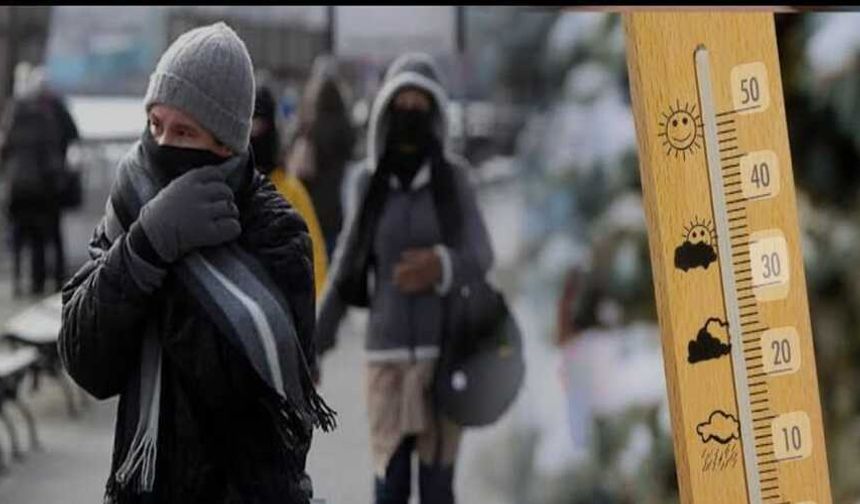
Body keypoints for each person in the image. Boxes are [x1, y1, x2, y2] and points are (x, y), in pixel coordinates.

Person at [58, 22, 335, 504]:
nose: (161, 145)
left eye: (184, 131)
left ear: (226, 142)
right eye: (154, 125)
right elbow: (88, 363)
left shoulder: (279, 233)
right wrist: (144, 247)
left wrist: (166, 266)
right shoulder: (132, 207)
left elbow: (248, 404)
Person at [315, 53, 494, 504]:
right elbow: (347, 266)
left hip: (445, 359)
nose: (409, 114)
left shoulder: (455, 180)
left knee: (437, 491)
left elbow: (482, 253)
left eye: (420, 105)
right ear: (385, 112)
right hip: (387, 365)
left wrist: (442, 266)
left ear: (434, 114)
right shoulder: (367, 182)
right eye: (401, 104)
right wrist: (312, 344)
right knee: (389, 487)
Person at [251, 83, 328, 302]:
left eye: (259, 124)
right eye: (248, 124)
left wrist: (316, 306)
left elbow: (315, 255)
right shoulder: (223, 188)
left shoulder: (291, 191)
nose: (253, 133)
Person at [0, 65, 67, 296]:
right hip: (39, 188)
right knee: (40, 236)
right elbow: (51, 156)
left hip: (16, 186)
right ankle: (38, 283)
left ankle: (18, 281)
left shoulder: (12, 115)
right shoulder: (44, 116)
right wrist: (59, 181)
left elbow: (4, 149)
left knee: (17, 237)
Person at [287, 55, 355, 260]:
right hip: (334, 204)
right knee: (332, 254)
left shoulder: (308, 121)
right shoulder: (344, 122)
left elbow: (290, 149)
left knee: (311, 258)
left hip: (309, 200)